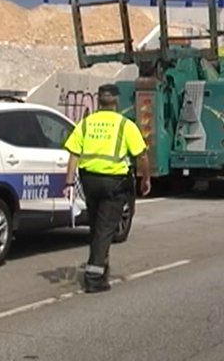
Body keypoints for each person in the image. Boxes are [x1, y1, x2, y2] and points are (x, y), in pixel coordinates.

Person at [63, 84, 152, 293]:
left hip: (89, 181)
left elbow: (74, 154)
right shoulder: (124, 125)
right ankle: (94, 277)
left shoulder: (86, 123)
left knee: (97, 225)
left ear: (98, 101)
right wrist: (145, 178)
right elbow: (142, 155)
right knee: (105, 229)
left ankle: (101, 268)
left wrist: (68, 182)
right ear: (117, 101)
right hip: (115, 182)